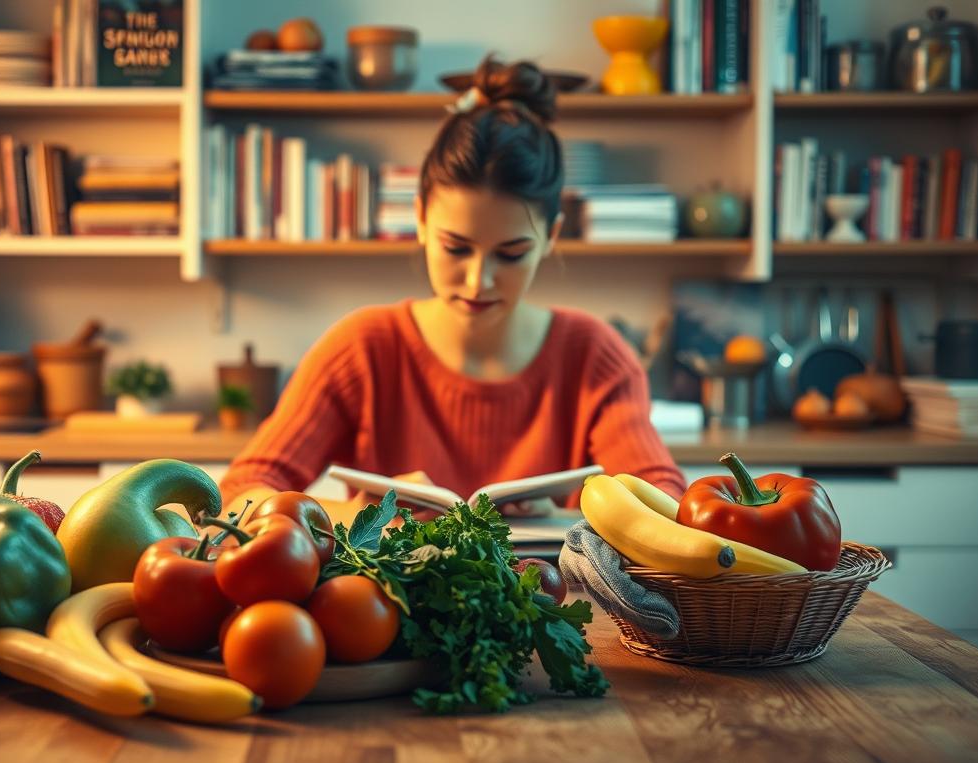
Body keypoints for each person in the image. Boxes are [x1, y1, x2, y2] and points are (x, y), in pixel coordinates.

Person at [220, 57, 685, 523]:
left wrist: (566, 520)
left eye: (510, 253)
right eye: (456, 247)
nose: (477, 281)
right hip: (379, 597)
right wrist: (354, 515)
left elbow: (666, 506)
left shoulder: (595, 358)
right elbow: (238, 494)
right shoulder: (361, 350)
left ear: (552, 237)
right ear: (420, 219)